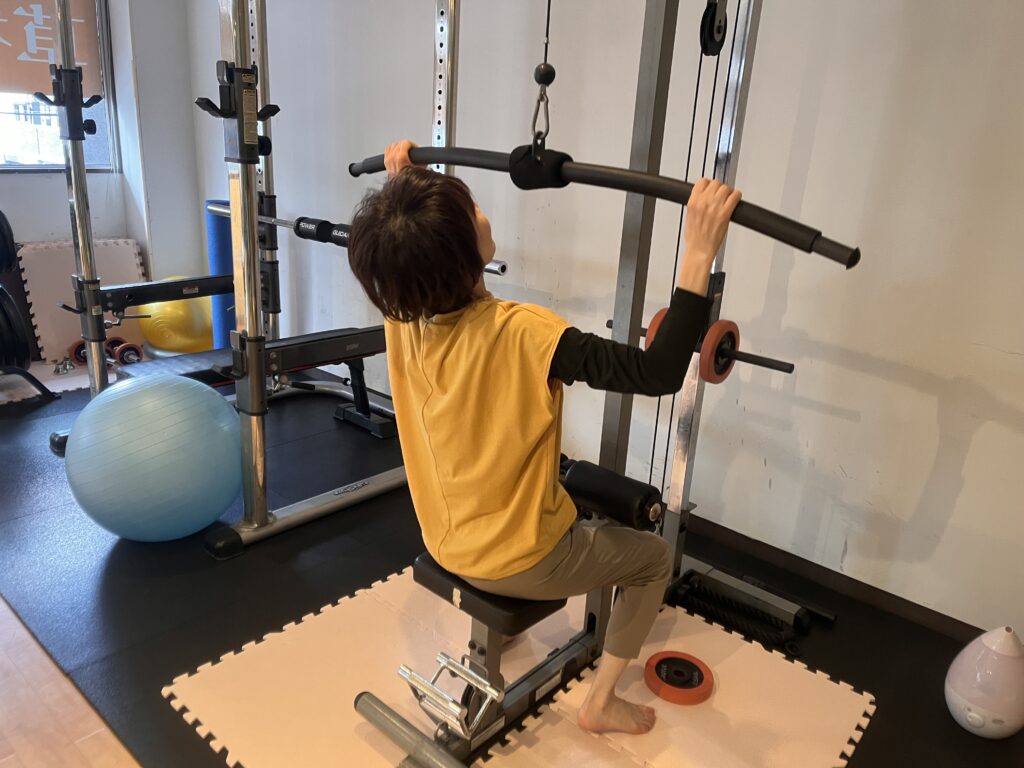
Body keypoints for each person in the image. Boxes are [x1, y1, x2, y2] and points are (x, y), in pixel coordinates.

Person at [348, 140, 741, 735]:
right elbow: (657, 373)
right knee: (652, 558)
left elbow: (403, 247)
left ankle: (504, 629)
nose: (482, 211)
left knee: (556, 479)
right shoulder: (527, 334)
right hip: (519, 558)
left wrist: (404, 181)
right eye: (473, 208)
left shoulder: (404, 310)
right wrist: (699, 252)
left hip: (443, 538)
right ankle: (601, 703)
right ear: (466, 250)